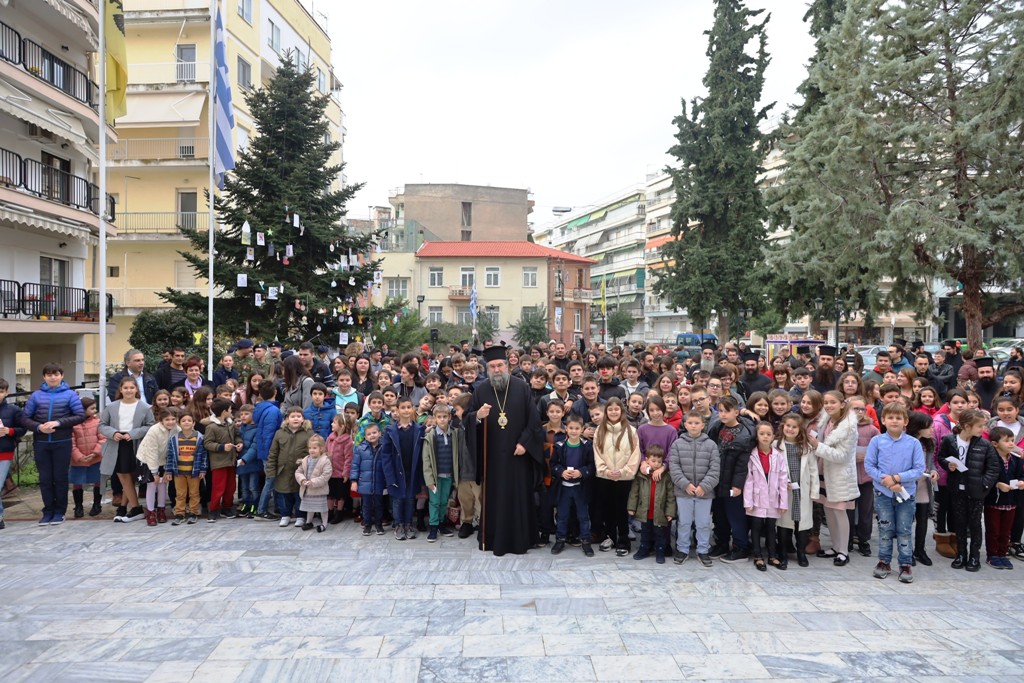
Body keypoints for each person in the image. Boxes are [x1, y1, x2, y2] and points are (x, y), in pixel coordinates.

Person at [470, 345, 545, 556]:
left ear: (507, 365)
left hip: (517, 456)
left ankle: (522, 539)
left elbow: (534, 420)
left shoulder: (521, 387)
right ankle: (493, 539)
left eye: (500, 365)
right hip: (492, 458)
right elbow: (467, 420)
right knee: (494, 497)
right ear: (487, 368)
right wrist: (477, 416)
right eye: (492, 366)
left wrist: (524, 443)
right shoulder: (481, 389)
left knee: (518, 496)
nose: (496, 369)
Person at [865, 402, 926, 583]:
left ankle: (905, 563)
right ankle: (884, 561)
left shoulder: (913, 443)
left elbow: (918, 469)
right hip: (883, 493)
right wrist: (886, 480)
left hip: (906, 493)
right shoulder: (876, 441)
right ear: (883, 420)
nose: (894, 421)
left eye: (898, 418)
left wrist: (897, 478)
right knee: (885, 527)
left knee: (904, 529)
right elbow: (870, 465)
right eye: (890, 417)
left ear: (905, 421)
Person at [19, 363, 86, 525]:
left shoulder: (70, 395)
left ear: (62, 376)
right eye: (49, 375)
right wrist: (38, 427)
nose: (53, 377)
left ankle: (60, 511)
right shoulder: (36, 396)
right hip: (41, 442)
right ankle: (48, 510)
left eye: (56, 374)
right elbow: (25, 418)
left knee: (60, 478)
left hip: (62, 442)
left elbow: (79, 416)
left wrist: (58, 423)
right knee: (45, 479)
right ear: (44, 377)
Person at [937, 408, 1001, 571]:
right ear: (966, 426)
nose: (983, 430)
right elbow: (941, 457)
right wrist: (948, 465)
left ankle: (974, 556)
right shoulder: (950, 440)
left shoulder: (984, 444)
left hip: (976, 490)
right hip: (957, 489)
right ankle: (961, 554)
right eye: (979, 426)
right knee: (959, 522)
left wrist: (983, 484)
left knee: (974, 524)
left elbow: (993, 467)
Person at [809, 391, 860, 566]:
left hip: (840, 476)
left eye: (832, 402)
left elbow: (842, 456)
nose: (829, 405)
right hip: (824, 472)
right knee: (828, 510)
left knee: (839, 511)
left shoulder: (848, 426)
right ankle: (835, 546)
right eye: (826, 402)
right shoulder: (826, 421)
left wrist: (817, 446)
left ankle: (844, 551)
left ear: (842, 404)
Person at [98, 375, 154, 524]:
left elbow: (150, 425)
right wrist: (113, 433)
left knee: (130, 476)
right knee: (123, 476)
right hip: (117, 443)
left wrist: (133, 433)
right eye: (125, 388)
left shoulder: (145, 407)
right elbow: (102, 425)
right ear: (120, 390)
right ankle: (131, 507)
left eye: (131, 387)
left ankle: (131, 508)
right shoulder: (111, 407)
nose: (128, 390)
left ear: (136, 389)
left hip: (135, 443)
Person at [707, 397, 756, 562]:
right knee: (719, 515)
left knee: (735, 516)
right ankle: (721, 543)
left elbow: (743, 464)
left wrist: (737, 484)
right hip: (717, 479)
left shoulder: (744, 434)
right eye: (720, 410)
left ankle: (741, 547)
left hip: (732, 482)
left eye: (726, 411)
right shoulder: (716, 427)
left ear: (736, 412)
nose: (723, 414)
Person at [669, 411, 720, 566]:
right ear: (685, 424)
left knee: (703, 523)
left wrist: (704, 486)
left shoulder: (711, 445)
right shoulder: (678, 444)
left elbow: (715, 468)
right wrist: (686, 484)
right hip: (684, 491)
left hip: (704, 493)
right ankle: (682, 549)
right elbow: (674, 467)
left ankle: (703, 550)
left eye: (697, 423)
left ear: (703, 425)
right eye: (690, 422)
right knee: (683, 522)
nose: (693, 425)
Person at [592, 398, 641, 557]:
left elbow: (635, 454)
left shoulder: (631, 431)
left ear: (622, 411)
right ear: (606, 412)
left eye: (616, 409)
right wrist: (605, 470)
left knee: (621, 509)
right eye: (610, 409)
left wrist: (624, 471)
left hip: (623, 477)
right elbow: (597, 453)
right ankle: (610, 536)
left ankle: (623, 539)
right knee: (607, 508)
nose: (613, 412)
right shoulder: (600, 430)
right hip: (605, 477)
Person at [744, 421, 789, 571]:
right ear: (756, 436)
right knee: (756, 527)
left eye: (768, 434)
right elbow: (748, 481)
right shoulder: (752, 456)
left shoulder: (778, 456)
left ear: (773, 436)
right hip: (757, 498)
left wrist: (783, 502)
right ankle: (758, 556)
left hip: (772, 498)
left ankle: (772, 555)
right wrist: (748, 502)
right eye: (762, 434)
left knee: (771, 528)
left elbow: (783, 481)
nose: (765, 437)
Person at [776, 413, 819, 569]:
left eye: (794, 427)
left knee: (801, 524)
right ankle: (783, 553)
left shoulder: (806, 447)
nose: (791, 429)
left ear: (800, 429)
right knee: (783, 524)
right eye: (788, 426)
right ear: (783, 427)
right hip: (784, 490)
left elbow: (813, 470)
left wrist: (814, 491)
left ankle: (801, 551)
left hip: (802, 490)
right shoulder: (776, 445)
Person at [549, 413, 595, 557]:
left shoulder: (587, 446)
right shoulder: (560, 446)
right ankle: (560, 539)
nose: (574, 431)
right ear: (566, 429)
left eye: (577, 428)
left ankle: (586, 541)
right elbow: (553, 464)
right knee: (562, 515)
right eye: (571, 428)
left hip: (580, 488)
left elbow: (591, 465)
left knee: (583, 516)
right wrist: (561, 472)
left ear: (582, 429)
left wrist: (581, 472)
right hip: (564, 488)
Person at [381, 398, 425, 540]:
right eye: (403, 407)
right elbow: (386, 455)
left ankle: (408, 523)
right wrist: (389, 475)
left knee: (410, 498)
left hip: (412, 469)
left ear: (413, 409)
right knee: (398, 499)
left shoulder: (419, 429)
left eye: (408, 407)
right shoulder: (390, 430)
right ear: (397, 410)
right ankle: (398, 524)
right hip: (396, 469)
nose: (406, 410)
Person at [422, 404, 467, 542]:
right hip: (436, 476)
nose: (442, 420)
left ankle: (442, 523)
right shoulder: (430, 435)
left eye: (444, 417)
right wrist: (429, 479)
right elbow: (426, 459)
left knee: (443, 501)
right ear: (435, 418)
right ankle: (433, 526)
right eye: (439, 417)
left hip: (448, 474)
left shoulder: (454, 433)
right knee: (434, 502)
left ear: (449, 417)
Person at [627, 444, 675, 564]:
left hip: (659, 512)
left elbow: (670, 496)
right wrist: (631, 507)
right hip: (645, 512)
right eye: (653, 461)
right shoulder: (641, 475)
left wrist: (669, 512)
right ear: (646, 460)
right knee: (645, 532)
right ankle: (643, 550)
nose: (656, 464)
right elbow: (634, 492)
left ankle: (660, 552)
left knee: (660, 534)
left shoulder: (666, 477)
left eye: (659, 461)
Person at [984, 426, 1024, 569]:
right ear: (995, 443)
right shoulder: (990, 459)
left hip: (1012, 501)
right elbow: (985, 477)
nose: (1011, 444)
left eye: (1012, 440)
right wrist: (997, 484)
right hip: (993, 502)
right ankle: (992, 554)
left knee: (1006, 530)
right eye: (1007, 441)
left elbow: (1021, 475)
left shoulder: (1017, 459)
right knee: (993, 529)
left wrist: (1021, 482)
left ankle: (1002, 553)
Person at [847, 395, 881, 558]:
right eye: (856, 408)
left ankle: (863, 540)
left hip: (867, 476)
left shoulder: (872, 429)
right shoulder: (843, 426)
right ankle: (846, 538)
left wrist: (868, 457)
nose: (860, 412)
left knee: (866, 510)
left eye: (862, 409)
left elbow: (879, 451)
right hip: (848, 475)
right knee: (848, 509)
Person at [266, 407, 312, 528]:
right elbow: (273, 453)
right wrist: (271, 471)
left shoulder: (308, 433)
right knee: (283, 494)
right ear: (287, 419)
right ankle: (285, 515)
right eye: (292, 416)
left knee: (299, 495)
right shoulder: (279, 433)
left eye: (298, 416)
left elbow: (313, 453)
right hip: (283, 471)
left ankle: (300, 516)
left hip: (300, 471)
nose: (295, 419)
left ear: (303, 419)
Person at [135, 406, 179, 526]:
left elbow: (174, 450)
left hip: (164, 461)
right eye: (167, 420)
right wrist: (154, 473)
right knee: (152, 485)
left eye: (173, 419)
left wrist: (167, 469)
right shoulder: (154, 431)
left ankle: (161, 510)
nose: (170, 422)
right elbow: (151, 452)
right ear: (161, 420)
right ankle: (151, 512)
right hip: (148, 460)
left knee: (162, 485)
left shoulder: (176, 429)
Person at [165, 410, 206, 525]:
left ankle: (193, 512)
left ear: (193, 423)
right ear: (179, 423)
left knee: (194, 493)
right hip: (179, 472)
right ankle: (180, 513)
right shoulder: (174, 439)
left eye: (189, 421)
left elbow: (203, 455)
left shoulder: (200, 438)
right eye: (183, 421)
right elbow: (170, 455)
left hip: (194, 472)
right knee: (180, 494)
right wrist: (168, 470)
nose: (186, 423)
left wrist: (203, 469)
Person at [203, 398, 241, 521]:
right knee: (218, 487)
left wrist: (239, 443)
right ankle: (213, 509)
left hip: (231, 460)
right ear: (224, 411)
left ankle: (227, 507)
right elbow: (207, 443)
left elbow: (236, 436)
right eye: (230, 409)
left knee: (231, 486)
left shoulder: (231, 424)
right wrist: (221, 447)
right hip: (218, 462)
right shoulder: (211, 427)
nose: (232, 411)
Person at [70, 397, 104, 518]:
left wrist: (95, 453)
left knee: (98, 480)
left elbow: (103, 439)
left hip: (96, 458)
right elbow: (71, 442)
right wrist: (78, 456)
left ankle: (97, 504)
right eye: (92, 408)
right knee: (77, 482)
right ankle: (78, 506)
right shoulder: (73, 424)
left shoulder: (98, 422)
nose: (95, 410)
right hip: (78, 460)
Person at [350, 422, 386, 536]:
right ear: (365, 436)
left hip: (380, 482)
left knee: (379, 504)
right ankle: (367, 524)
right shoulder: (360, 449)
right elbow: (355, 466)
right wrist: (354, 481)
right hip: (365, 482)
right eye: (369, 434)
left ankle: (379, 524)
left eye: (374, 433)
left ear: (379, 433)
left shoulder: (384, 447)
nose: (372, 436)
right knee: (366, 505)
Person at [295, 434, 332, 532]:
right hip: (307, 489)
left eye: (314, 448)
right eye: (310, 448)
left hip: (319, 490)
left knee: (322, 508)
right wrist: (302, 480)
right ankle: (309, 522)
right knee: (309, 507)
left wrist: (313, 482)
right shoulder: (305, 460)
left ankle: (324, 523)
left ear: (321, 448)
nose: (312, 450)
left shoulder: (325, 460)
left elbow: (326, 475)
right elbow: (298, 472)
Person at [325, 413, 355, 524]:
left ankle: (339, 512)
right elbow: (325, 451)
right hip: (330, 472)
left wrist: (346, 473)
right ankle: (330, 512)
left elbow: (348, 458)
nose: (332, 424)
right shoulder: (330, 438)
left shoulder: (347, 441)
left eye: (334, 422)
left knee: (340, 495)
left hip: (341, 473)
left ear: (342, 426)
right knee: (330, 494)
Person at [234, 404, 261, 518]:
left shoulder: (257, 429)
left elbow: (254, 447)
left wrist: (245, 459)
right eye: (241, 414)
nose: (243, 416)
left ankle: (255, 505)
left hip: (252, 463)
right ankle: (246, 504)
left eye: (246, 414)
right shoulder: (240, 429)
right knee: (244, 487)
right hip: (241, 463)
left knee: (253, 486)